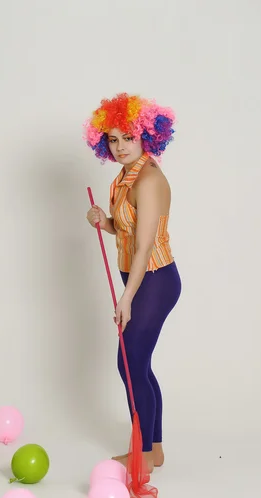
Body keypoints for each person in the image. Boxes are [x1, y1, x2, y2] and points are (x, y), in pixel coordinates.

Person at [84, 93, 181, 474]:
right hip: (139, 278)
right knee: (136, 364)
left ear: (146, 136)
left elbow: (142, 248)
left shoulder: (150, 179)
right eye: (112, 139)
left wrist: (126, 298)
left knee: (130, 363)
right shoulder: (124, 175)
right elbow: (124, 231)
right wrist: (101, 221)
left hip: (155, 280)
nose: (120, 146)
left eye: (128, 137)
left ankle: (142, 456)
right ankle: (153, 450)